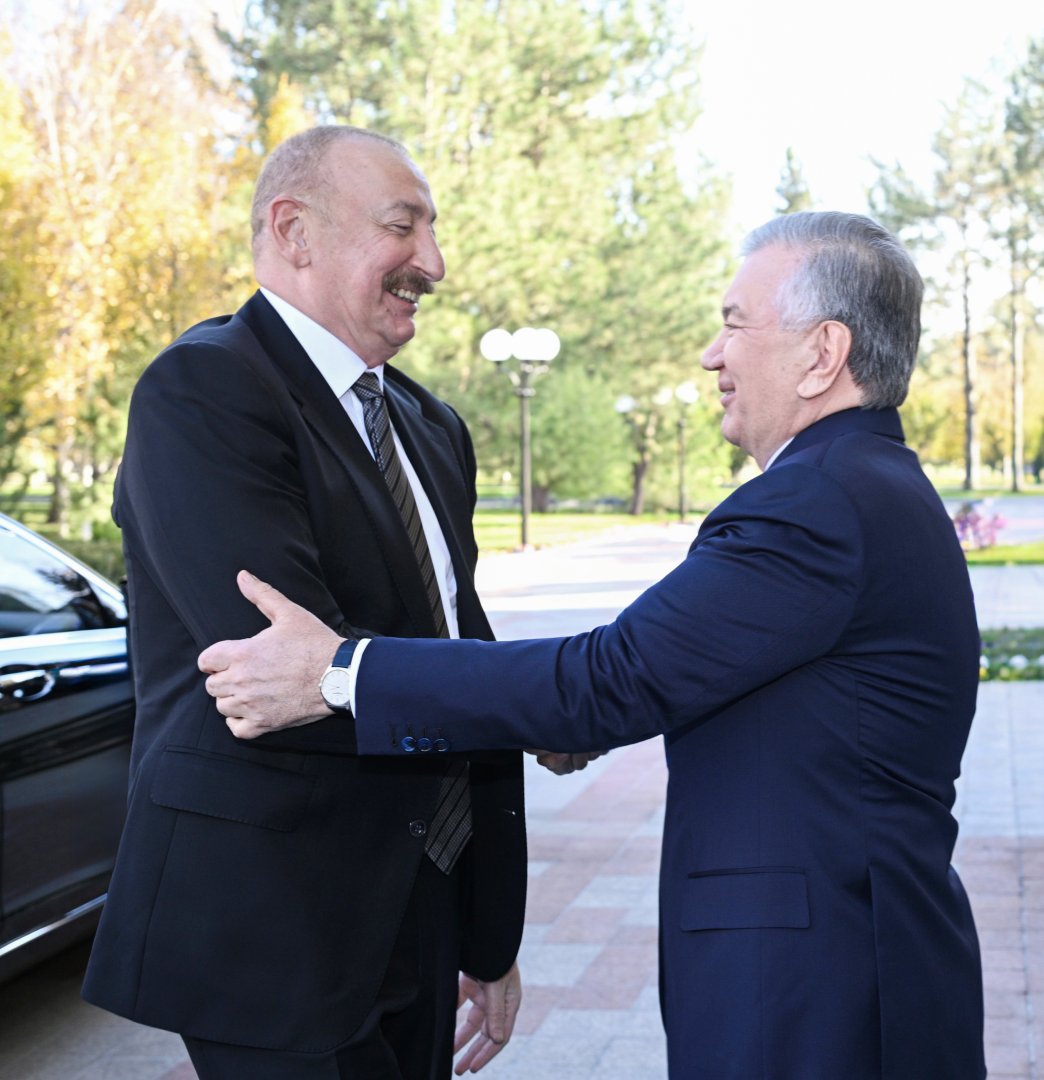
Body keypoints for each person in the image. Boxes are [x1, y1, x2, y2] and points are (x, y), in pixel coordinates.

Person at [199, 211, 987, 1079]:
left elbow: (613, 677)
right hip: (850, 956)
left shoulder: (817, 502)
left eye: (735, 324)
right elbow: (683, 672)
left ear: (822, 354)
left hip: (818, 983)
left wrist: (342, 673)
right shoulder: (862, 484)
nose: (712, 355)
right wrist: (572, 716)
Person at [82, 125, 529, 1079]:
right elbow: (286, 662)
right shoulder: (205, 389)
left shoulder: (431, 424)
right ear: (293, 230)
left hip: (422, 901)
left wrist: (487, 932)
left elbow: (455, 635)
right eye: (402, 227)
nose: (434, 263)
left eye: (433, 231)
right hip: (271, 923)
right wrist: (537, 697)